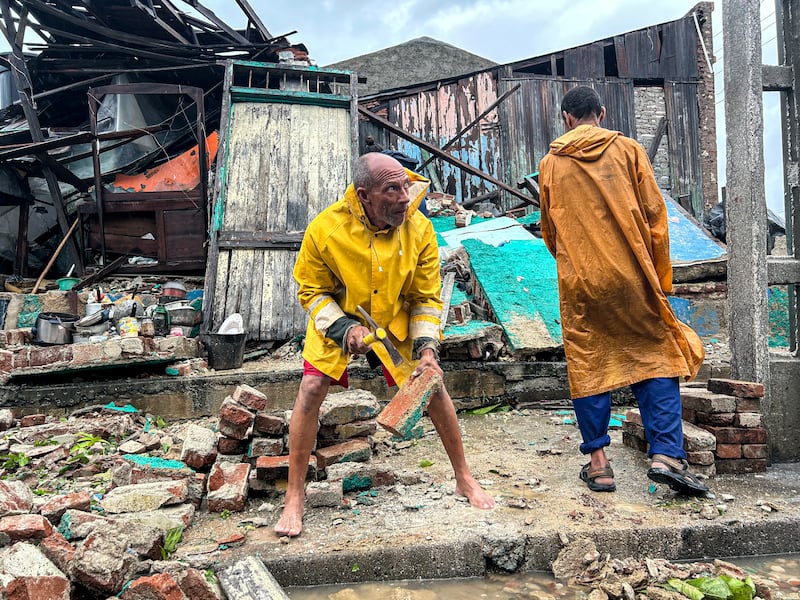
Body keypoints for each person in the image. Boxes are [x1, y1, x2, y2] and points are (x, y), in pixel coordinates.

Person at [274, 152, 495, 537]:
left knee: (433, 385)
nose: (404, 198)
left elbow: (426, 296)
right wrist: (345, 330)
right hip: (339, 317)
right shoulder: (325, 229)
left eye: (405, 187)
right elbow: (311, 291)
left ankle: (464, 477)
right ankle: (295, 496)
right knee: (310, 389)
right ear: (364, 196)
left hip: (394, 318)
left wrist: (427, 350)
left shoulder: (421, 228)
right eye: (392, 189)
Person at [537, 85, 709, 497]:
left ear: (566, 120)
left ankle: (599, 466)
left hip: (581, 282)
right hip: (634, 276)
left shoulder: (550, 164)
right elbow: (655, 218)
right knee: (656, 355)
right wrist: (659, 280)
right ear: (602, 112)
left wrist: (578, 264)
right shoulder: (629, 150)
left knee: (588, 363)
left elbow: (550, 231)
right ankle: (666, 454)